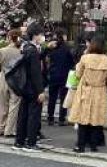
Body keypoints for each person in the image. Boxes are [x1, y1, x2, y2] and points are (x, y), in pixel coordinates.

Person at [69, 35, 107, 153]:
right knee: (96, 118)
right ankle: (94, 145)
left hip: (86, 89)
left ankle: (80, 145)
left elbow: (78, 74)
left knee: (83, 118)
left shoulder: (85, 58)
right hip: (99, 91)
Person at [13, 22, 46, 152]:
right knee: (33, 115)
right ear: (35, 36)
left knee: (23, 114)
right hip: (33, 88)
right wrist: (41, 91)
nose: (42, 37)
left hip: (24, 87)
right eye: (41, 34)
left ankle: (19, 142)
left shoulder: (24, 48)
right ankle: (31, 143)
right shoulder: (32, 51)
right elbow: (36, 73)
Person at [44, 28, 73, 126]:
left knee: (52, 97)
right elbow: (72, 61)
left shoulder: (52, 47)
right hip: (64, 75)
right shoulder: (67, 48)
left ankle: (50, 118)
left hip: (53, 74)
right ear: (63, 36)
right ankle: (61, 118)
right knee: (63, 98)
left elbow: (46, 58)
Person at [0, 29, 22, 137]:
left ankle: (1, 127)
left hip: (3, 77)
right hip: (16, 80)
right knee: (14, 105)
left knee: (2, 104)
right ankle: (9, 130)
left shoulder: (2, 51)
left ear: (9, 38)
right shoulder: (21, 52)